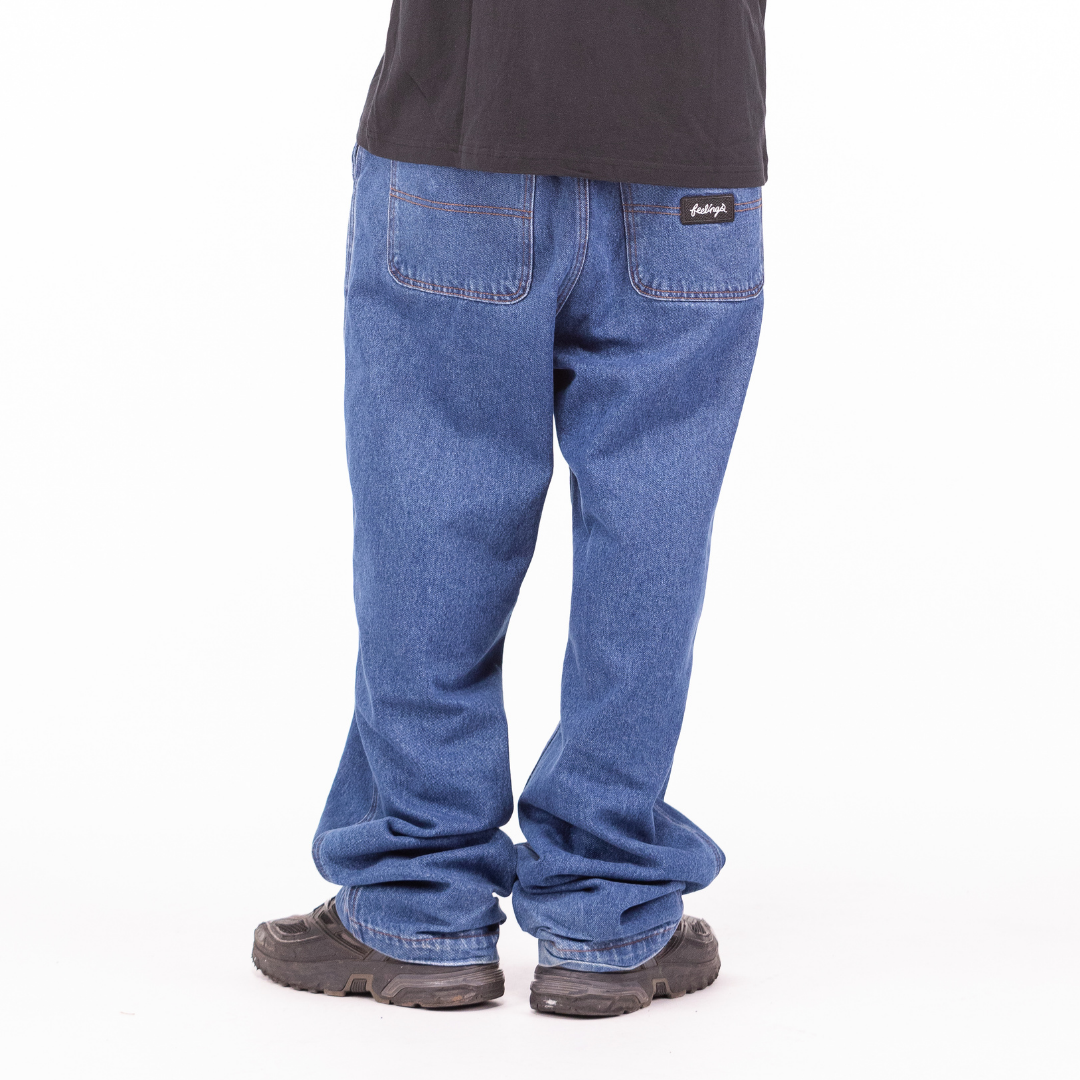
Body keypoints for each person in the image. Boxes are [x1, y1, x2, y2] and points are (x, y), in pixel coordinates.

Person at [252, 0, 768, 1017]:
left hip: (465, 134)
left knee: (432, 520)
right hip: (691, 146)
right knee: (652, 533)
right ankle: (609, 907)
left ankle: (419, 896)